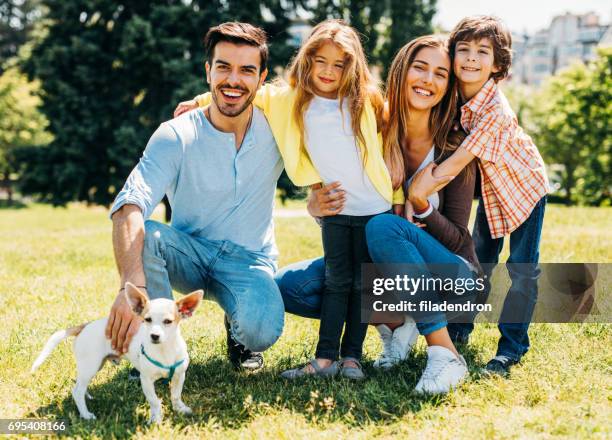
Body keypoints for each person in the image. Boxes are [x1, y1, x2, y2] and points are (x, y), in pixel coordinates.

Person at [178, 20, 405, 380]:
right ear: (308, 59)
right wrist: (199, 101)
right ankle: (326, 358)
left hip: (375, 209)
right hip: (334, 209)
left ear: (353, 66)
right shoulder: (290, 99)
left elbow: (390, 147)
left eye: (340, 64)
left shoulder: (368, 100)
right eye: (321, 61)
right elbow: (245, 92)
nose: (329, 71)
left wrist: (398, 199)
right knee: (336, 280)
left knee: (363, 284)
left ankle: (353, 358)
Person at [277, 35, 481, 394]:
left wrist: (420, 205)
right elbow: (337, 176)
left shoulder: (454, 146)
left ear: (448, 85)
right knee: (286, 287)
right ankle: (395, 326)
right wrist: (315, 202)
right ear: (401, 71)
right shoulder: (370, 123)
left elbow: (460, 241)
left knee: (385, 227)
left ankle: (443, 351)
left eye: (440, 74)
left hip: (453, 279)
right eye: (420, 67)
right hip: (382, 275)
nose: (428, 80)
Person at [106, 22, 285, 373]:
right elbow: (129, 203)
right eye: (223, 67)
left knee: (261, 330)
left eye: (246, 70)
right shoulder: (175, 135)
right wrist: (132, 286)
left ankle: (239, 333)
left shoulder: (278, 130)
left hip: (249, 260)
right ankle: (151, 342)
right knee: (150, 235)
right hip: (188, 253)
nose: (233, 80)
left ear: (261, 78)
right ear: (208, 71)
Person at [430, 16, 549, 376]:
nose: (470, 58)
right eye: (463, 49)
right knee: (479, 262)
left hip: (525, 188)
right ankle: (461, 328)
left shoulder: (494, 110)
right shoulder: (453, 96)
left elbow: (456, 163)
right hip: (494, 193)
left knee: (522, 270)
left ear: (497, 65)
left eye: (482, 52)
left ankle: (511, 347)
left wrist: (418, 189)